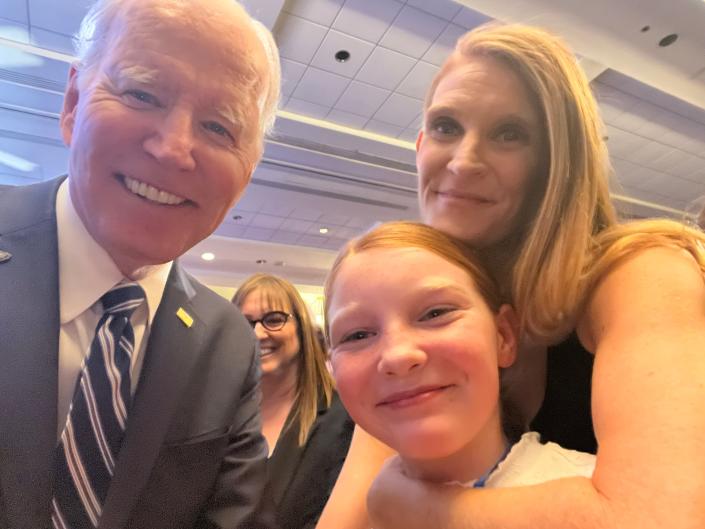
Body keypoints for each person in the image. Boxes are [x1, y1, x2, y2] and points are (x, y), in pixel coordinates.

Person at [317, 23, 705, 529]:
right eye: (446, 127)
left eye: (509, 134)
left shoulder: (636, 272)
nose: (463, 161)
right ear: (419, 145)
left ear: (555, 163)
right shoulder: (418, 323)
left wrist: (413, 506)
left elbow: (656, 518)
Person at [0, 0, 281, 527]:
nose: (175, 149)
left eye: (220, 127)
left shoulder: (227, 341)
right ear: (72, 101)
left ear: (248, 171)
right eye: (142, 94)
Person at [325, 221, 596, 489]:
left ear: (503, 336)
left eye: (436, 313)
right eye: (357, 335)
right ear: (332, 369)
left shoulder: (602, 498)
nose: (398, 355)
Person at [232, 274, 354, 529]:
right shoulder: (222, 417)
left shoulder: (345, 418)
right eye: (244, 323)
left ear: (302, 328)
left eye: (274, 320)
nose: (258, 333)